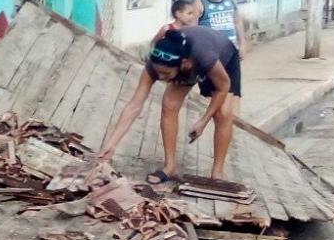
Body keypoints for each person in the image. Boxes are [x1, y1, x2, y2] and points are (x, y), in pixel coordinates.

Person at [98, 26, 239, 182]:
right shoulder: (157, 63)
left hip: (224, 62)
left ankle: (217, 172)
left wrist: (203, 121)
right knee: (169, 105)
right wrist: (111, 144)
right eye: (158, 72)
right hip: (187, 68)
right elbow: (134, 105)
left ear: (184, 64)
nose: (160, 77)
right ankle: (170, 166)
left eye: (165, 74)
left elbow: (223, 87)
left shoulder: (204, 56)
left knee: (223, 113)